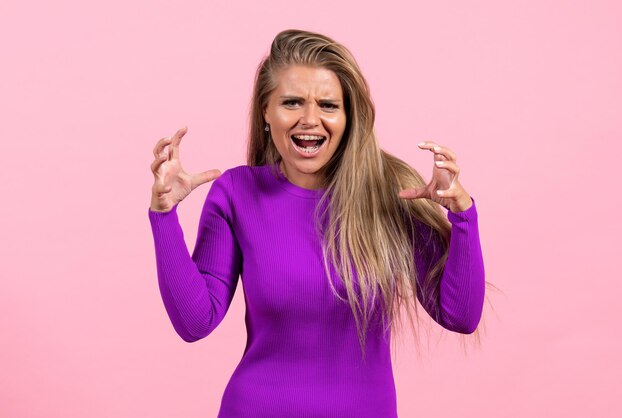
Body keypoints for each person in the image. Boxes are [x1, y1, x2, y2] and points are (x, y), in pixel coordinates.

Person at [148, 29, 486, 418]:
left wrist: (463, 213)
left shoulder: (391, 192)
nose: (310, 120)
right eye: (291, 102)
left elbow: (460, 315)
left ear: (348, 117)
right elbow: (194, 322)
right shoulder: (236, 193)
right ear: (266, 111)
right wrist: (164, 216)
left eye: (328, 105)